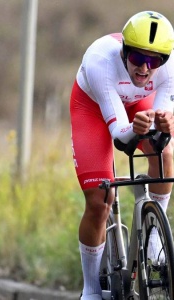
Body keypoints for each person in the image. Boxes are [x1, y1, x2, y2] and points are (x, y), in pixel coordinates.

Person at [70, 11, 174, 300]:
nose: (144, 68)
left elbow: (161, 126)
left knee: (165, 153)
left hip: (138, 104)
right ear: (124, 51)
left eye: (154, 61)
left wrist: (163, 126)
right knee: (99, 200)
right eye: (138, 58)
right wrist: (137, 128)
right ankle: (90, 289)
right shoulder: (101, 61)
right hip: (92, 108)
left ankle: (155, 233)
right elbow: (120, 137)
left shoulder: (171, 66)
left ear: (164, 60)